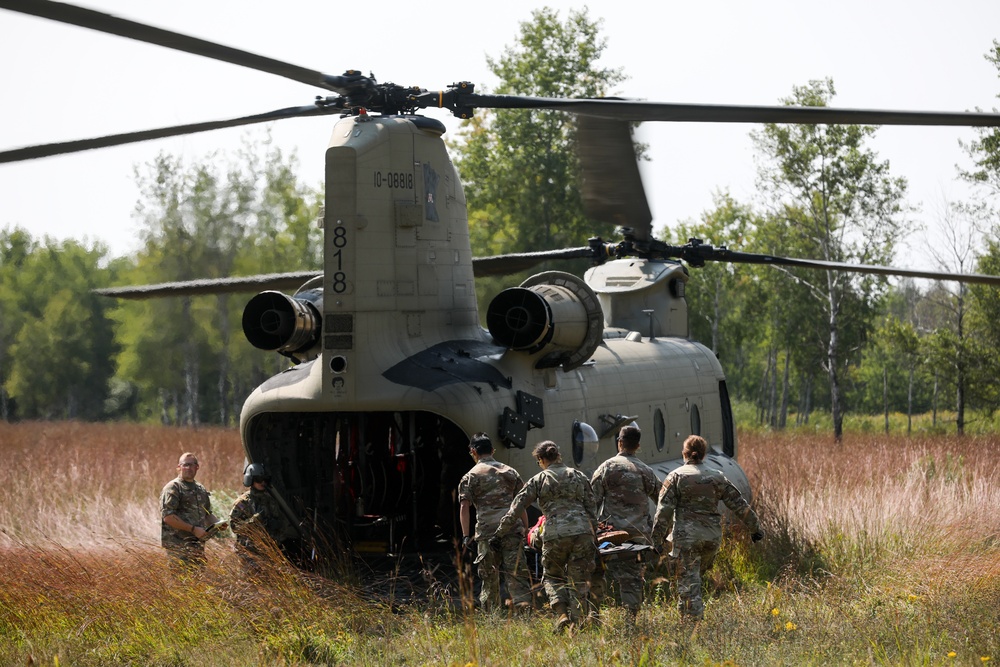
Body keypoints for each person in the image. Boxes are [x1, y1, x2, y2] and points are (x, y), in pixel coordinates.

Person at [650, 435, 764, 621]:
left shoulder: (676, 477)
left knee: (689, 581)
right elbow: (740, 505)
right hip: (711, 539)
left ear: (684, 453)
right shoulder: (717, 477)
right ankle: (689, 616)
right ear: (703, 454)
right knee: (692, 579)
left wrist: (656, 540)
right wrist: (755, 529)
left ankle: (693, 625)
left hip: (687, 538)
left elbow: (663, 511)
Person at [492, 440, 598, 633]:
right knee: (578, 579)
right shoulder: (579, 476)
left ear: (541, 459)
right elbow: (592, 508)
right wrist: (594, 534)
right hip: (583, 532)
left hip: (554, 533)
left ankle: (562, 614)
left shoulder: (539, 480)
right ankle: (578, 624)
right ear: (558, 456)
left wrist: (499, 532)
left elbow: (517, 508)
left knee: (552, 576)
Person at [590, 424, 660, 622]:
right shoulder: (646, 471)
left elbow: (592, 501)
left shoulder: (607, 467)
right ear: (637, 446)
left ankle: (594, 615)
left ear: (619, 443)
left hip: (610, 536)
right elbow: (662, 500)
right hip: (638, 535)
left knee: (596, 569)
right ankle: (630, 619)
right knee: (631, 576)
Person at [457, 433, 532, 613]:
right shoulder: (510, 471)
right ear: (492, 450)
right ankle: (525, 616)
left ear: (473, 452)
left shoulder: (470, 476)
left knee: (489, 578)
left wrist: (466, 535)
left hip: (486, 533)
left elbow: (464, 507)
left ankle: (492, 618)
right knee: (517, 576)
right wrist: (526, 527)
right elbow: (521, 503)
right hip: (512, 531)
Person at [229, 462, 298, 571]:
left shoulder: (272, 500)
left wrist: (276, 527)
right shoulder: (243, 503)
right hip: (249, 553)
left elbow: (283, 523)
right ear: (250, 480)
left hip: (270, 551)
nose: (262, 482)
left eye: (264, 479)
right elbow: (235, 527)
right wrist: (255, 521)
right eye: (258, 479)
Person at [160, 452, 221, 569]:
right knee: (180, 582)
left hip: (197, 545)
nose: (188, 468)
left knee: (197, 582)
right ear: (179, 467)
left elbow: (207, 513)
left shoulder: (200, 489)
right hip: (178, 546)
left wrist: (218, 524)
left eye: (192, 465)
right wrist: (193, 529)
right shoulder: (173, 488)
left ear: (197, 467)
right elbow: (168, 517)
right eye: (185, 465)